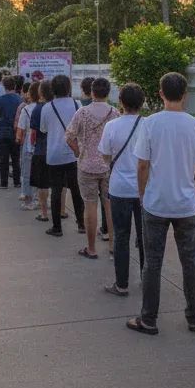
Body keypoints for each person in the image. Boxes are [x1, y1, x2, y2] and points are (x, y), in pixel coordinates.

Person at [126, 72, 195, 336]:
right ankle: (194, 316)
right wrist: (194, 196)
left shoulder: (150, 124)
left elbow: (142, 165)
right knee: (190, 261)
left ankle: (149, 319)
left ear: (160, 93)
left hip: (155, 203)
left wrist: (143, 195)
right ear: (185, 94)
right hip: (186, 204)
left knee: (152, 262)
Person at [66, 76, 118, 260]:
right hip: (108, 166)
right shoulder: (115, 113)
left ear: (92, 92)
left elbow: (69, 136)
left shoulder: (82, 113)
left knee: (90, 206)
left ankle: (91, 248)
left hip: (87, 165)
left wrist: (79, 152)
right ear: (108, 93)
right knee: (110, 206)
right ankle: (112, 245)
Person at [101, 82, 146, 296]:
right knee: (145, 236)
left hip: (119, 188)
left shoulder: (112, 126)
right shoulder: (148, 125)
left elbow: (105, 155)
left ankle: (122, 284)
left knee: (121, 236)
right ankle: (148, 278)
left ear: (120, 102)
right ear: (142, 103)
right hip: (144, 190)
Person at [41, 74, 84, 237]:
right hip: (73, 153)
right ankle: (81, 223)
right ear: (69, 88)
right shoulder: (77, 104)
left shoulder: (47, 107)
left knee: (56, 190)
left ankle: (57, 227)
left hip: (54, 154)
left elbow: (43, 129)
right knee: (76, 190)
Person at [0, 77, 23, 189]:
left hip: (2, 131)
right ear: (14, 86)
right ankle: (17, 181)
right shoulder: (20, 99)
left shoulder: (0, 99)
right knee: (15, 159)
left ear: (4, 87)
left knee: (3, 159)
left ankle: (4, 183)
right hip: (15, 132)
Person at [28, 80, 52, 221]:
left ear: (40, 93)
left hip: (41, 149)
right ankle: (60, 210)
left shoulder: (37, 109)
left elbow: (34, 133)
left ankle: (44, 213)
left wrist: (32, 146)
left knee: (42, 184)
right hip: (57, 150)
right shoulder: (57, 107)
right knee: (57, 184)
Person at [16, 83, 38, 209]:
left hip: (29, 143)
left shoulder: (26, 109)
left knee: (27, 172)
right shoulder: (45, 107)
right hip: (43, 144)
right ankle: (40, 199)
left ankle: (28, 199)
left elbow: (20, 131)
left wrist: (19, 140)